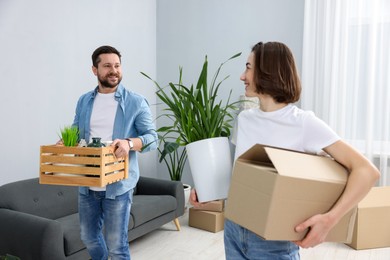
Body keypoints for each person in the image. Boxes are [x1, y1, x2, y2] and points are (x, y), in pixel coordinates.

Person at [190, 41, 380, 259]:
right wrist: (208, 194)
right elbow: (244, 179)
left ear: (268, 71)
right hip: (233, 229)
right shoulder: (244, 119)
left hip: (274, 242)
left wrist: (330, 219)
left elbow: (367, 171)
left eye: (249, 68)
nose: (242, 76)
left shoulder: (303, 123)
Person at [71, 45, 157, 260]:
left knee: (116, 247)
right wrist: (65, 141)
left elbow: (153, 138)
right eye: (107, 65)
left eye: (117, 65)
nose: (114, 70)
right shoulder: (84, 101)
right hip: (87, 182)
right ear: (95, 70)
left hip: (118, 185)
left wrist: (129, 143)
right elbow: (75, 131)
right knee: (88, 237)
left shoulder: (135, 102)